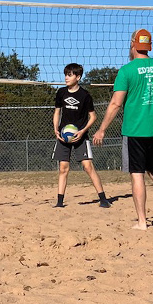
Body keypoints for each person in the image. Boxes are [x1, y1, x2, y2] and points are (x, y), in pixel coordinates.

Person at [93, 29, 153, 230]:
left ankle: (142, 222)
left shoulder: (126, 71)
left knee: (137, 175)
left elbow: (115, 104)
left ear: (133, 45)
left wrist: (102, 129)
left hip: (134, 132)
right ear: (149, 46)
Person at [52, 63, 111, 209]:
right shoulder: (61, 92)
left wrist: (82, 131)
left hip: (80, 136)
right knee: (63, 168)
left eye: (70, 75)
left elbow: (93, 117)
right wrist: (56, 129)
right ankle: (59, 202)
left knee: (87, 166)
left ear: (78, 77)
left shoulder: (85, 95)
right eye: (65, 74)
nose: (66, 77)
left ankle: (103, 199)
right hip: (64, 136)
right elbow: (57, 112)